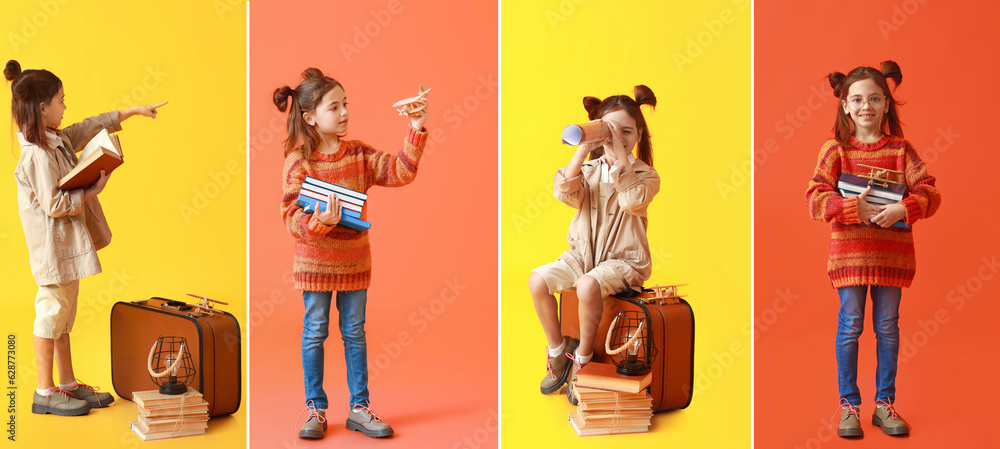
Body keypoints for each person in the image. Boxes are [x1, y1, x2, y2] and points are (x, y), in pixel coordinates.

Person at [274, 68, 428, 440]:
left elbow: (400, 171)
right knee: (314, 332)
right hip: (314, 266)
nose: (344, 112)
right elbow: (289, 215)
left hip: (354, 265)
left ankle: (359, 408)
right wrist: (317, 223)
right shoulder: (298, 160)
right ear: (310, 117)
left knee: (354, 333)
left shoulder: (358, 154)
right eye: (334, 107)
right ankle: (315, 408)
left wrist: (416, 128)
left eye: (346, 104)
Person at [6, 59, 166, 416]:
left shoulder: (55, 138)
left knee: (63, 317)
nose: (66, 106)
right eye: (62, 100)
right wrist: (92, 190)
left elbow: (86, 127)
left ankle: (67, 383)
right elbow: (54, 204)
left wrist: (130, 112)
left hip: (66, 248)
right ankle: (43, 391)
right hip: (52, 250)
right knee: (50, 315)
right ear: (43, 107)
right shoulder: (37, 155)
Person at [805, 60, 941, 438]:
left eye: (875, 99)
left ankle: (884, 405)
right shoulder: (835, 151)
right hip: (849, 258)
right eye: (858, 99)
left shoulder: (901, 151)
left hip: (891, 259)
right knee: (849, 327)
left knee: (887, 328)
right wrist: (853, 208)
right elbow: (814, 198)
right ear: (845, 106)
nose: (866, 106)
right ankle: (849, 405)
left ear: (886, 105)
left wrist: (905, 207)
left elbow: (930, 190)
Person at [528, 85, 659, 404]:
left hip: (623, 261)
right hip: (582, 256)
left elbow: (633, 201)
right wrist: (584, 146)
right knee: (537, 280)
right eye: (610, 131)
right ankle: (558, 352)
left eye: (626, 131)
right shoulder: (588, 169)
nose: (619, 138)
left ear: (639, 133)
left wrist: (619, 162)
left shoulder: (645, 174)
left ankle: (582, 362)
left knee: (587, 286)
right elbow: (563, 192)